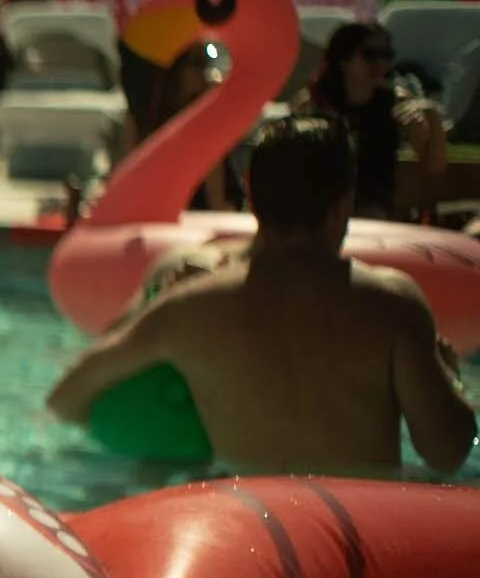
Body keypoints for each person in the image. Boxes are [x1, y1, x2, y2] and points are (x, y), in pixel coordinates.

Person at [48, 115, 473, 476]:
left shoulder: (191, 308)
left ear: (251, 199)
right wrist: (450, 377)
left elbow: (66, 398)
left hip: (252, 528)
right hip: (358, 528)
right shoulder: (391, 305)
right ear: (343, 205)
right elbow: (448, 453)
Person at [295, 21, 449, 221]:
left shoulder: (395, 103)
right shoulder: (315, 102)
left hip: (376, 209)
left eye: (386, 55)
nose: (381, 65)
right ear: (343, 60)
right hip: (322, 208)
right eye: (370, 55)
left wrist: (433, 119)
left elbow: (434, 166)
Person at [118, 40, 240, 212]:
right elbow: (125, 180)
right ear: (176, 70)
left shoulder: (203, 116)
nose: (204, 73)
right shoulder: (144, 116)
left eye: (205, 63)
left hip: (198, 214)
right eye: (196, 64)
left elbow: (216, 196)